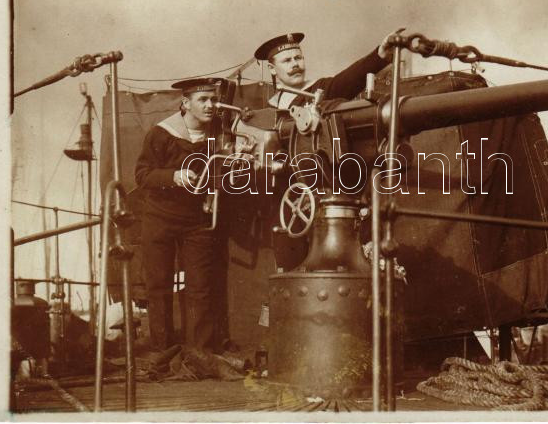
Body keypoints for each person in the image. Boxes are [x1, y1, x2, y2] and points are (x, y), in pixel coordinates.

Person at [134, 77, 241, 380]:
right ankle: (162, 355)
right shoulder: (162, 133)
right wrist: (174, 176)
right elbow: (142, 175)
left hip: (197, 220)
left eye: (214, 99)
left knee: (200, 288)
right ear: (186, 103)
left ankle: (200, 355)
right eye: (203, 100)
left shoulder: (220, 133)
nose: (211, 105)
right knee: (159, 287)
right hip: (159, 218)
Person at [253, 30, 400, 110]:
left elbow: (349, 79)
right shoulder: (271, 106)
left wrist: (379, 55)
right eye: (287, 61)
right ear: (272, 69)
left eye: (298, 58)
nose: (295, 64)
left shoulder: (321, 89)